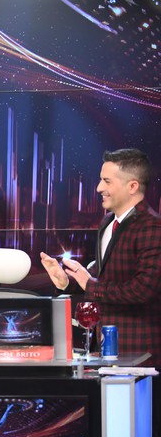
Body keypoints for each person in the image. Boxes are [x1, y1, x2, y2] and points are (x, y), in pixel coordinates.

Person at [40, 149, 161, 365]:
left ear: (132, 186)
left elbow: (143, 290)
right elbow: (102, 275)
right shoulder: (107, 222)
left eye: (107, 181)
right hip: (103, 349)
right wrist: (67, 281)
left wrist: (90, 284)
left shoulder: (152, 227)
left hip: (138, 353)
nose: (98, 188)